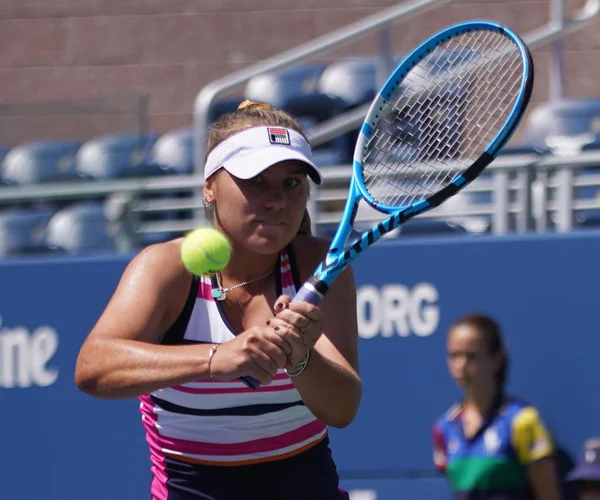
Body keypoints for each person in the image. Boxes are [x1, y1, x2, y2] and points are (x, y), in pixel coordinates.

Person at [74, 100, 362, 500]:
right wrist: (215, 359)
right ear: (209, 186)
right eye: (256, 181)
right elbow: (92, 367)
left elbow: (343, 408)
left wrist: (301, 357)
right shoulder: (165, 269)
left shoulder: (322, 264)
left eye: (292, 183)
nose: (277, 200)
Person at [432, 313, 563, 500]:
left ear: (496, 359)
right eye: (454, 355)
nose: (461, 365)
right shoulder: (444, 427)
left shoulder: (522, 421)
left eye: (471, 356)